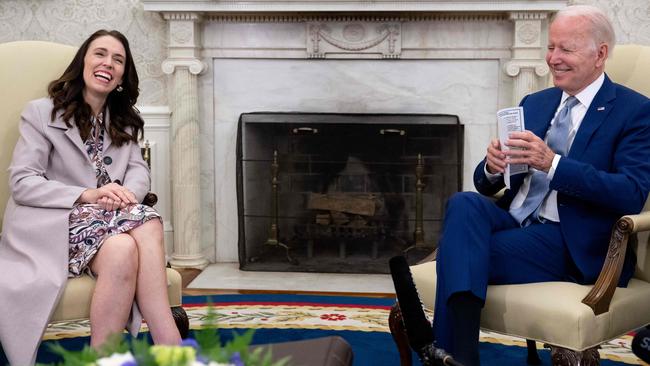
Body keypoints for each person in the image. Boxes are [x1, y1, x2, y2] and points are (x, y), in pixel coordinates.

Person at [433, 5, 650, 366]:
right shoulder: (535, 102)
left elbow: (630, 191)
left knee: (458, 252)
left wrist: (554, 164)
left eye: (566, 49)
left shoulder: (634, 111)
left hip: (570, 239)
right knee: (463, 203)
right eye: (550, 48)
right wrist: (492, 167)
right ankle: (458, 357)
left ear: (600, 55)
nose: (553, 59)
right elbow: (491, 185)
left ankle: (453, 356)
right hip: (518, 220)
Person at [0, 30, 181, 365]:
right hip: (51, 222)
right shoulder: (41, 113)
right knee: (149, 222)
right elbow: (23, 182)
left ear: (123, 77)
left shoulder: (126, 120)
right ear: (83, 61)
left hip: (110, 221)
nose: (107, 64)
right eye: (100, 54)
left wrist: (123, 195)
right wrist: (88, 194)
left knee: (123, 247)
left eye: (118, 60)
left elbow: (139, 173)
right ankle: (169, 344)